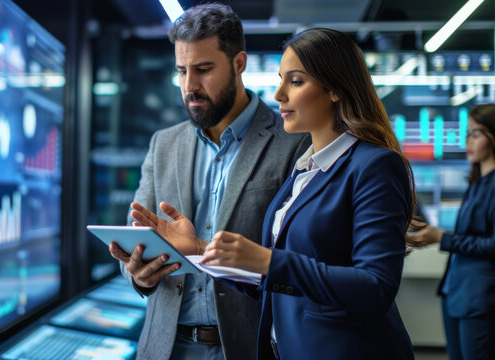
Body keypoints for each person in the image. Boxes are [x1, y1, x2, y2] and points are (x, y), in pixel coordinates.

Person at [131, 28, 416, 359]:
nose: (279, 93)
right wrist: (199, 249)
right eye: (281, 80)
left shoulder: (375, 165)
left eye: (295, 81)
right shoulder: (304, 171)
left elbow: (376, 287)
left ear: (335, 89)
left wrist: (268, 261)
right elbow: (278, 283)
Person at [107, 4, 310, 360]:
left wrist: (204, 250)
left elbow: (300, 260)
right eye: (182, 71)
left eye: (203, 70)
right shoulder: (164, 144)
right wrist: (138, 273)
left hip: (250, 346)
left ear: (239, 64)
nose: (190, 86)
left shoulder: (292, 141)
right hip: (166, 346)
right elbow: (135, 239)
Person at [409, 104, 495, 360]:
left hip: (479, 298)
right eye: (467, 133)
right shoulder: (478, 182)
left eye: (476, 134)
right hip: (458, 293)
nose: (467, 141)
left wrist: (441, 238)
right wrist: (434, 233)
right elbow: (473, 234)